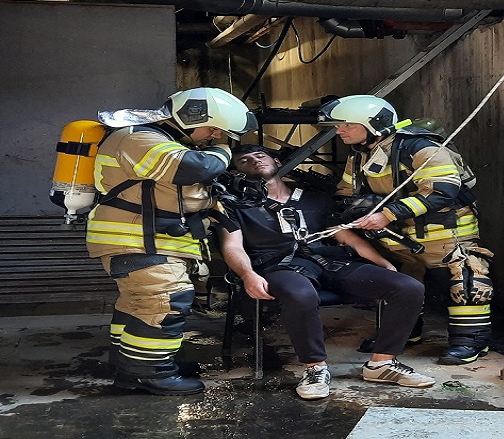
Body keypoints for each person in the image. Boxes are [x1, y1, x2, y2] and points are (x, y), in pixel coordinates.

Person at [217, 145, 436, 400]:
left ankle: (382, 364)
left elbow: (345, 236)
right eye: (245, 160)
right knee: (301, 294)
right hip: (277, 266)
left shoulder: (314, 198)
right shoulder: (234, 205)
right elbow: (231, 246)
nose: (254, 161)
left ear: (277, 161)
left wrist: (383, 264)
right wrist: (247, 275)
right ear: (236, 170)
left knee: (408, 286)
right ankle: (315, 369)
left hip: (329, 262)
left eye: (260, 156)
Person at [87, 87, 256, 395]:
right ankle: (150, 374)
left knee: (138, 304)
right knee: (164, 301)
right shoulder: (137, 137)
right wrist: (223, 149)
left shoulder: (163, 140)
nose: (215, 135)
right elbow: (194, 167)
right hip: (137, 238)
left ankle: (133, 365)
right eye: (213, 128)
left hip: (146, 239)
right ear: (193, 116)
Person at [318, 95, 495, 365]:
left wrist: (387, 214)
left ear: (373, 124)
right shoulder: (360, 156)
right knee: (397, 284)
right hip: (396, 235)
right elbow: (346, 192)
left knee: (465, 281)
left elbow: (443, 191)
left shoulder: (420, 147)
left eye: (347, 125)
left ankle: (470, 342)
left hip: (445, 232)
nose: (339, 131)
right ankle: (403, 333)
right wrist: (353, 211)